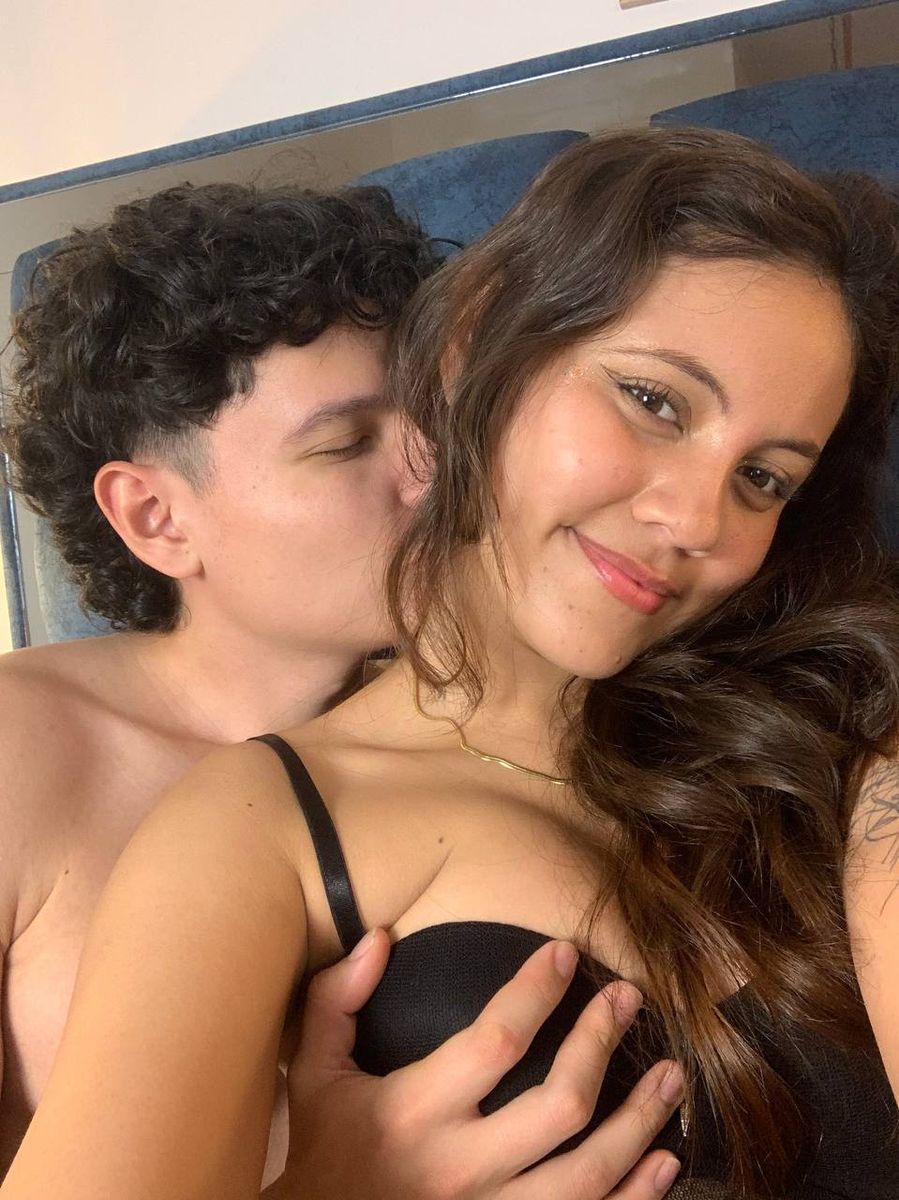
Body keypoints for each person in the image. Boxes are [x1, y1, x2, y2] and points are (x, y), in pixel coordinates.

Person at [5, 125, 899, 1200]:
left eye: (764, 478)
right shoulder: (182, 801)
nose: (430, 457)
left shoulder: (832, 722)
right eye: (652, 400)